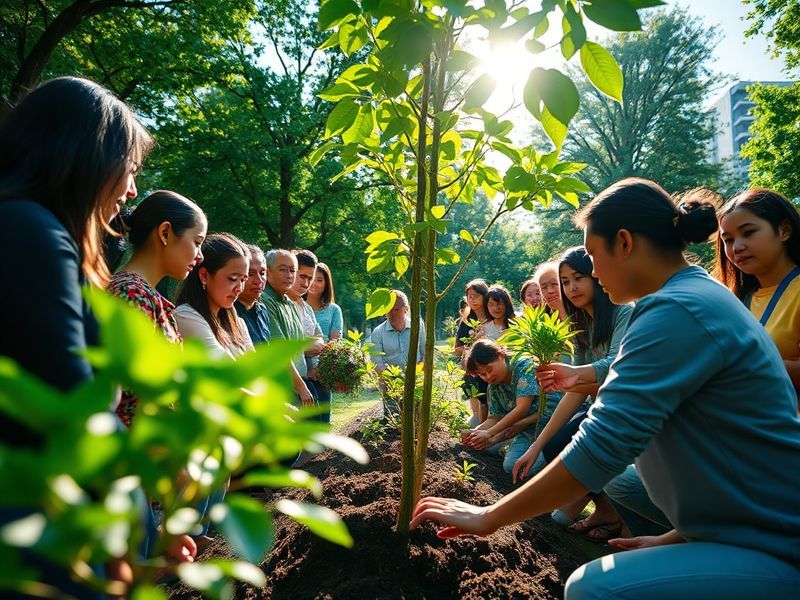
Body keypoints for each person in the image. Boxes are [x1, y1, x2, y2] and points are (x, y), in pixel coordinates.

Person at [411, 178, 800, 600]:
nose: (593, 273)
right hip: (742, 527)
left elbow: (603, 446)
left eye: (593, 257)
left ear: (625, 242)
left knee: (591, 588)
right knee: (622, 499)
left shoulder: (677, 310)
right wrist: (679, 537)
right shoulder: (687, 297)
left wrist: (489, 517)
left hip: (776, 541)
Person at [0, 77, 194, 597]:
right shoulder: (32, 234)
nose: (132, 191)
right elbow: (76, 406)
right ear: (83, 159)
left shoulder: (26, 228)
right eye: (128, 171)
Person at [514, 246, 634, 541]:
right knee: (555, 444)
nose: (571, 288)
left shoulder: (623, 312)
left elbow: (615, 367)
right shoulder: (581, 323)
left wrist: (571, 376)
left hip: (627, 408)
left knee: (582, 447)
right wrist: (535, 446)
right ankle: (605, 508)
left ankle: (624, 515)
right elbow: (576, 390)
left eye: (578, 278)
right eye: (564, 281)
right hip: (600, 403)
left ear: (596, 277)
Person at [109, 190, 207, 426]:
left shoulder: (140, 293)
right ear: (165, 233)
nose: (201, 255)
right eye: (197, 242)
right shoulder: (132, 295)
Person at [717, 188, 800, 406]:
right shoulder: (733, 300)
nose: (737, 247)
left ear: (784, 230)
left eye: (748, 232)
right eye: (728, 239)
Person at [461, 340, 557, 474]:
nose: (488, 376)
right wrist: (474, 434)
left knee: (511, 465)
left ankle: (555, 459)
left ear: (500, 356)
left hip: (550, 420)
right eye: (482, 374)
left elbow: (522, 408)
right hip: (525, 426)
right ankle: (515, 444)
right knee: (486, 446)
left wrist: (490, 433)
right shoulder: (494, 384)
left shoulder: (522, 367)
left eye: (489, 370)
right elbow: (494, 417)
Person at [174, 233, 254, 359]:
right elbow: (226, 369)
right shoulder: (185, 316)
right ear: (204, 276)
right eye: (233, 279)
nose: (240, 288)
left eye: (243, 280)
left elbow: (256, 368)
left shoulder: (237, 322)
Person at [262, 249, 315, 407]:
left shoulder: (289, 302)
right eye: (283, 269)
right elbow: (280, 351)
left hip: (298, 384)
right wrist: (302, 388)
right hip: (282, 388)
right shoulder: (266, 300)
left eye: (293, 270)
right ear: (268, 272)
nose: (289, 275)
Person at [371, 290, 426, 416]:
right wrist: (393, 380)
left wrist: (419, 371)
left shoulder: (418, 326)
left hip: (416, 380)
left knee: (417, 417)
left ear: (405, 309)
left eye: (396, 309)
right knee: (393, 419)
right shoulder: (378, 332)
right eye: (389, 309)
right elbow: (377, 363)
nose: (392, 313)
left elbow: (426, 352)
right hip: (391, 384)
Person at [289, 249, 328, 422]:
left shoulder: (306, 308)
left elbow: (319, 338)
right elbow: (287, 343)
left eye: (309, 278)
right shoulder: (283, 305)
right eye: (302, 276)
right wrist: (306, 346)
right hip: (289, 380)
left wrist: (309, 345)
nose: (306, 283)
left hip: (307, 376)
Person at [454, 279, 490, 426]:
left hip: (492, 371)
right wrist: (473, 348)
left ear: (485, 295)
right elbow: (457, 349)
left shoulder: (493, 318)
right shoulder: (466, 322)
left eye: (476, 295)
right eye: (469, 296)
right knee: (478, 411)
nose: (472, 299)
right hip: (474, 372)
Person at [234, 244, 271, 345]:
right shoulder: (228, 313)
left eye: (262, 273)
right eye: (250, 274)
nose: (259, 281)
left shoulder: (262, 310)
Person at [307, 261, 343, 343]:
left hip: (324, 353)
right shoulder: (296, 305)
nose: (314, 283)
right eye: (311, 278)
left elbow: (336, 340)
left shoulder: (334, 310)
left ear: (326, 283)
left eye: (319, 280)